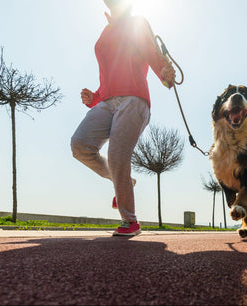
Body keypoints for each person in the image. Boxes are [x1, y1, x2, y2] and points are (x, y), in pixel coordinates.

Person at [71, 0, 176, 236]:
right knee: (79, 145)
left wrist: (165, 75)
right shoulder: (105, 30)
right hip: (108, 101)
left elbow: (153, 53)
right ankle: (125, 182)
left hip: (134, 99)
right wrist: (95, 97)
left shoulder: (137, 23)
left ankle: (130, 221)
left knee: (117, 155)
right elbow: (108, 75)